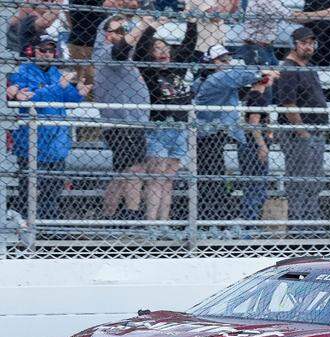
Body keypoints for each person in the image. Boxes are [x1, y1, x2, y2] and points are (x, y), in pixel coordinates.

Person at [9, 35, 89, 221]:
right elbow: (30, 99)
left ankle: (48, 228)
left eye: (50, 50)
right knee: (30, 191)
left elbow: (67, 98)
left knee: (52, 191)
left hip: (57, 144)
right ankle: (29, 226)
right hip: (32, 143)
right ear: (33, 51)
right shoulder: (22, 72)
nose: (46, 54)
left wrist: (79, 94)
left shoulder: (55, 73)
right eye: (42, 50)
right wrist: (57, 87)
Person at [194, 45, 268, 228]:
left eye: (228, 59)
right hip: (207, 135)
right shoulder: (215, 79)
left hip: (215, 133)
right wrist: (263, 72)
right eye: (222, 60)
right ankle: (210, 222)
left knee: (216, 178)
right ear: (210, 64)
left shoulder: (222, 80)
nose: (228, 63)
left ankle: (215, 221)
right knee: (211, 180)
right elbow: (239, 76)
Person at [135, 17, 200, 228]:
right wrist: (152, 27)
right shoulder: (148, 71)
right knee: (156, 177)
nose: (163, 52)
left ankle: (164, 222)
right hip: (158, 126)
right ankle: (150, 223)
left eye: (165, 48)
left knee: (169, 180)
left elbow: (189, 46)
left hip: (179, 128)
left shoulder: (177, 69)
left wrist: (192, 22)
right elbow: (139, 51)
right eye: (157, 49)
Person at [94, 14, 148, 225]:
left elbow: (130, 47)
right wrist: (142, 25)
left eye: (122, 31)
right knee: (134, 169)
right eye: (115, 31)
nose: (120, 35)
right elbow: (121, 49)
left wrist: (149, 27)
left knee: (123, 172)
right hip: (121, 122)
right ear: (105, 34)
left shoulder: (124, 56)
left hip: (133, 121)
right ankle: (132, 215)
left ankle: (108, 215)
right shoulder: (106, 52)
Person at [277, 27, 330, 227]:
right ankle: (299, 224)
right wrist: (301, 131)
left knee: (315, 179)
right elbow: (288, 103)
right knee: (299, 178)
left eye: (311, 43)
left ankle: (311, 221)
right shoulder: (289, 68)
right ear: (294, 44)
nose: (308, 47)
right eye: (304, 43)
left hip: (315, 130)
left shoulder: (308, 67)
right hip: (298, 133)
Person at [239, 0, 330, 66]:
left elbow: (289, 13)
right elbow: (292, 17)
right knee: (265, 89)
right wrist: (324, 13)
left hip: (264, 47)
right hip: (256, 48)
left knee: (273, 86)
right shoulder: (266, 1)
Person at [238, 69, 276, 226]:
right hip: (253, 146)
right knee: (255, 187)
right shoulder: (257, 97)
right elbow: (254, 122)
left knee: (254, 186)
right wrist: (262, 146)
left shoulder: (252, 96)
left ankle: (251, 222)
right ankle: (250, 223)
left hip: (250, 145)